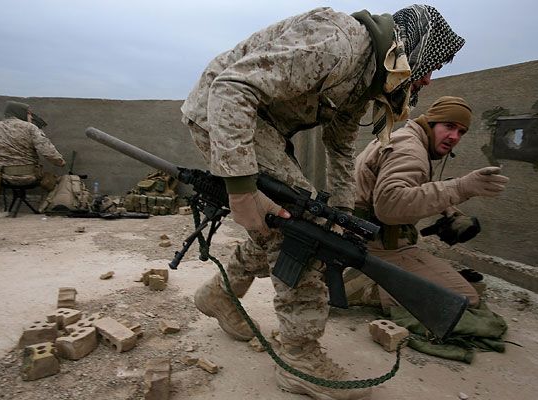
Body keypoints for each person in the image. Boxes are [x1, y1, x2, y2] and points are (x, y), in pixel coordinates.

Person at [180, 5, 465, 399]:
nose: (429, 79)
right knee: (300, 231)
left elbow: (341, 147)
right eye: (431, 66)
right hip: (224, 113)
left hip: (261, 124)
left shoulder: (367, 77)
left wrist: (342, 217)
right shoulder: (339, 43)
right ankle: (300, 358)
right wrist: (242, 189)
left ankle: (221, 293)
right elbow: (231, 88)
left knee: (291, 222)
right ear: (412, 47)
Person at [348, 96, 510, 312]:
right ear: (431, 122)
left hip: (365, 237)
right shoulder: (411, 150)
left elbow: (411, 184)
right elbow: (389, 206)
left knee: (458, 285)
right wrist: (460, 188)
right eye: (449, 126)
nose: (454, 136)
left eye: (461, 132)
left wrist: (450, 211)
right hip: (376, 247)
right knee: (464, 298)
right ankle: (364, 285)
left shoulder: (407, 138)